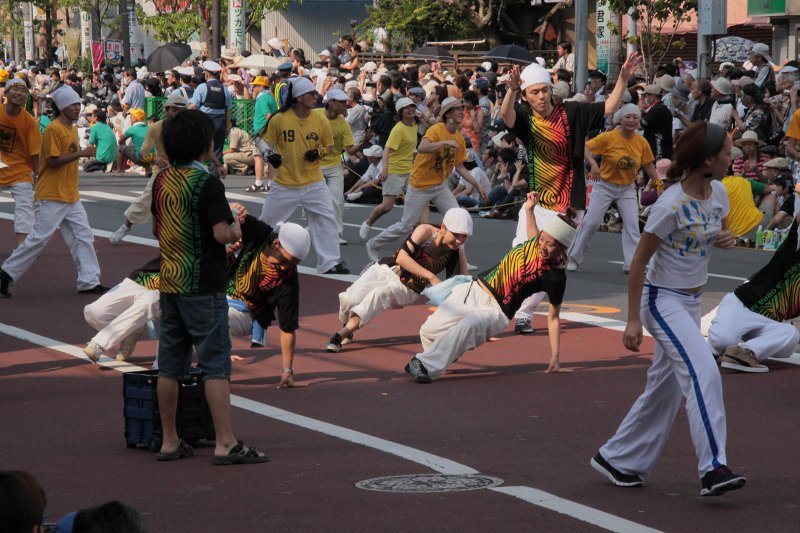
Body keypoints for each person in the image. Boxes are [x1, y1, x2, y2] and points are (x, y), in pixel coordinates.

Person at [591, 121, 746, 497]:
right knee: (704, 372)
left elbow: (719, 232)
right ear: (707, 160)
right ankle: (713, 468)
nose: (732, 157)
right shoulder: (669, 205)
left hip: (691, 301)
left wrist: (725, 237)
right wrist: (632, 320)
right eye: (727, 152)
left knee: (665, 389)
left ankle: (618, 459)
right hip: (662, 301)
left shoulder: (719, 192)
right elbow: (639, 263)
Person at [151, 109, 268, 465]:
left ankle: (169, 440)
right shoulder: (206, 184)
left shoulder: (162, 180)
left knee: (170, 365)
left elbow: (157, 228)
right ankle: (225, 442)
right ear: (204, 145)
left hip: (170, 280)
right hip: (203, 282)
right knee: (215, 364)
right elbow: (222, 234)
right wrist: (236, 226)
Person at [500, 53, 640, 334]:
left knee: (549, 262)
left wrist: (623, 79)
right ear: (525, 97)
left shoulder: (573, 112)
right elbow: (506, 115)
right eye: (534, 92)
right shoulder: (525, 118)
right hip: (537, 201)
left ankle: (524, 313)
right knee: (520, 254)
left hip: (569, 204)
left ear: (551, 89)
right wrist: (512, 90)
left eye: (544, 90)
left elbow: (609, 106)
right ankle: (503, 303)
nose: (541, 96)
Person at [404, 192, 576, 383]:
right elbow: (531, 224)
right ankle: (444, 354)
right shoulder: (535, 242)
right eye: (542, 239)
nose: (542, 246)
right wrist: (530, 208)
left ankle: (426, 365)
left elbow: (553, 318)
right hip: (474, 290)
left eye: (550, 245)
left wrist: (555, 358)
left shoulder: (555, 278)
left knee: (469, 325)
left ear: (562, 248)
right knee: (428, 331)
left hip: (496, 311)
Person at [1, 87, 106, 297]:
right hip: (51, 194)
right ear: (62, 107)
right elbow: (52, 161)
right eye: (72, 105)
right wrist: (81, 154)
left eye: (78, 104)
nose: (77, 108)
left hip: (70, 195)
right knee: (39, 238)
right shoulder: (53, 129)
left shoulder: (71, 130)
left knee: (83, 236)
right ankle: (6, 274)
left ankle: (89, 281)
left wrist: (79, 154)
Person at [328, 208, 472, 352]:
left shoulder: (457, 252)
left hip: (408, 288)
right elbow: (401, 258)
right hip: (386, 269)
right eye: (455, 234)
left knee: (378, 295)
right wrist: (431, 276)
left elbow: (465, 283)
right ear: (443, 227)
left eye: (464, 236)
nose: (459, 240)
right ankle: (347, 326)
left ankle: (339, 336)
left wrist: (472, 315)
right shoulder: (425, 231)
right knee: (349, 300)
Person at [366, 97, 488, 260]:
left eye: (462, 109)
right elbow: (422, 147)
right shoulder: (436, 130)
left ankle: (460, 260)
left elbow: (460, 167)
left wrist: (477, 184)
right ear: (447, 114)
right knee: (406, 226)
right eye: (457, 109)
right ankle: (373, 244)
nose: (461, 112)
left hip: (440, 186)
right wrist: (444, 143)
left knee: (457, 218)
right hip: (420, 186)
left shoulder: (459, 138)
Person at [257, 77, 349, 274]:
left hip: (313, 182)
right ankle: (253, 255)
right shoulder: (279, 119)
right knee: (266, 221)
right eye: (311, 94)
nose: (315, 97)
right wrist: (269, 154)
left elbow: (329, 146)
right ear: (299, 97)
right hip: (284, 183)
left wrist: (318, 152)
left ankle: (329, 262)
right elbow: (261, 141)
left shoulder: (320, 119)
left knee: (326, 220)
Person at [569, 103, 657, 273]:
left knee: (632, 225)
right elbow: (584, 147)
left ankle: (632, 264)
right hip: (604, 186)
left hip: (627, 189)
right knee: (591, 222)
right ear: (620, 120)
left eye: (635, 117)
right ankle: (573, 258)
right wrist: (593, 164)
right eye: (628, 117)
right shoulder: (609, 137)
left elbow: (648, 165)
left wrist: (659, 185)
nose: (631, 120)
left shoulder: (641, 141)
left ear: (639, 120)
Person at [707, 216, 800, 373]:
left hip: (768, 322)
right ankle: (708, 340)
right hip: (742, 305)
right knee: (722, 342)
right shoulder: (795, 248)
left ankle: (745, 352)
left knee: (791, 335)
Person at [227, 217, 311, 387]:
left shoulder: (287, 281)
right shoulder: (260, 233)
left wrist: (287, 371)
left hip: (248, 312)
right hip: (219, 295)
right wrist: (235, 208)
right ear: (276, 244)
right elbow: (229, 214)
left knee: (214, 320)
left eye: (293, 265)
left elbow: (287, 328)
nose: (285, 268)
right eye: (285, 261)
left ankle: (216, 371)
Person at [107, 93, 189, 245]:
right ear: (167, 110)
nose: (178, 114)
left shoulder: (190, 128)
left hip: (185, 170)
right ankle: (126, 227)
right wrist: (154, 158)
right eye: (174, 110)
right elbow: (142, 152)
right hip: (162, 171)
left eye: (181, 110)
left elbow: (205, 148)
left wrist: (216, 164)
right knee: (146, 200)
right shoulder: (156, 128)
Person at [359, 97, 417, 240]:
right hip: (394, 170)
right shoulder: (398, 129)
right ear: (400, 112)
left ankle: (415, 235)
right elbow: (387, 150)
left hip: (409, 170)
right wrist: (384, 170)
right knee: (387, 206)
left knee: (415, 204)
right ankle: (368, 222)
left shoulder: (414, 126)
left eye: (412, 106)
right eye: (406, 108)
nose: (410, 109)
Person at [82, 257, 161, 363]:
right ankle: (131, 332)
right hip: (143, 278)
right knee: (93, 313)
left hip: (171, 288)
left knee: (149, 301)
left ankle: (98, 345)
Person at [317, 88, 368, 245]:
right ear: (331, 102)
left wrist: (365, 142)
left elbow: (350, 150)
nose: (344, 105)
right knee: (315, 201)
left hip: (334, 166)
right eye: (341, 102)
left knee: (337, 200)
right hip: (314, 166)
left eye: (345, 102)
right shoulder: (315, 115)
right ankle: (314, 228)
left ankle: (336, 234)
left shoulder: (343, 124)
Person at [0, 77, 41, 248]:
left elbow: (35, 152)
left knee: (25, 208)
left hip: (20, 171)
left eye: (23, 91)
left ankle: (21, 249)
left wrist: (38, 175)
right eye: (15, 89)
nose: (19, 93)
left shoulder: (29, 121)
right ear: (6, 93)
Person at [189, 60, 231, 175]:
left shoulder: (202, 87)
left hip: (204, 122)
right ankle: (214, 178)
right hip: (220, 122)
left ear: (206, 74)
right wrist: (227, 126)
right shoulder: (225, 89)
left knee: (200, 149)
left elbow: (193, 106)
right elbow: (228, 111)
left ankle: (197, 176)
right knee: (217, 152)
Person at [247, 75, 279, 192]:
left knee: (258, 157)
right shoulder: (271, 98)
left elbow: (268, 115)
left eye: (255, 85)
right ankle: (271, 183)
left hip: (261, 132)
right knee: (270, 158)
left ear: (261, 86)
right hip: (269, 132)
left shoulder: (262, 98)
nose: (253, 88)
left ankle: (258, 182)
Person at [114, 108, 149, 176]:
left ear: (135, 119)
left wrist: (121, 135)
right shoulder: (148, 128)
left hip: (140, 158)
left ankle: (119, 171)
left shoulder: (132, 129)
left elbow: (120, 142)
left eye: (131, 117)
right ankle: (148, 169)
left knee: (119, 148)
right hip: (152, 158)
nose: (130, 119)